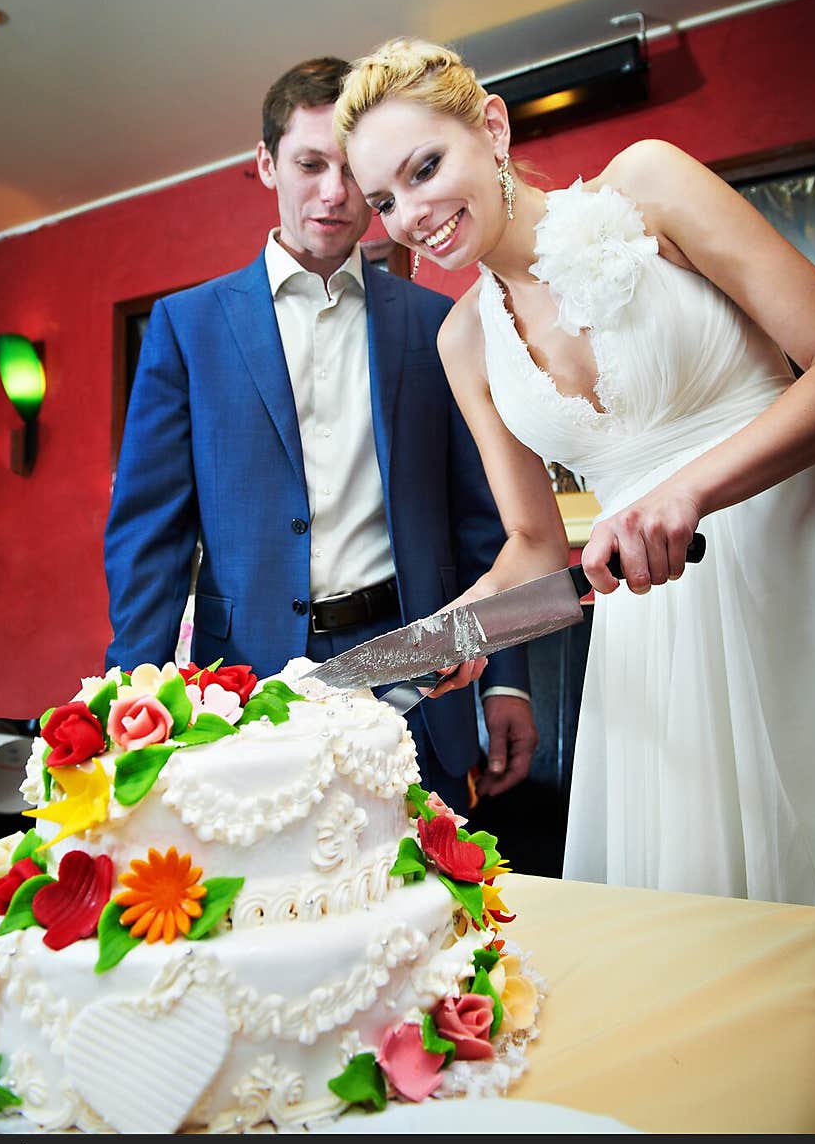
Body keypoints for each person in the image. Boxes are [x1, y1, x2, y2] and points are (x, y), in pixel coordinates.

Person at [334, 37, 815, 905]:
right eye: (384, 199)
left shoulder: (649, 183)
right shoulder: (465, 343)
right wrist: (455, 634)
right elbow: (530, 544)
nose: (409, 213)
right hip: (660, 642)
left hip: (802, 562)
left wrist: (691, 490)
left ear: (492, 129)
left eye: (424, 167)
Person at [104, 55, 538, 815]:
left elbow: (487, 520)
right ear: (266, 164)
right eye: (309, 164)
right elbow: (150, 534)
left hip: (418, 668)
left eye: (350, 172)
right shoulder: (188, 327)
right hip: (243, 684)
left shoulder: (441, 325)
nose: (334, 194)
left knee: (423, 907)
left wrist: (506, 675)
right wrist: (129, 699)